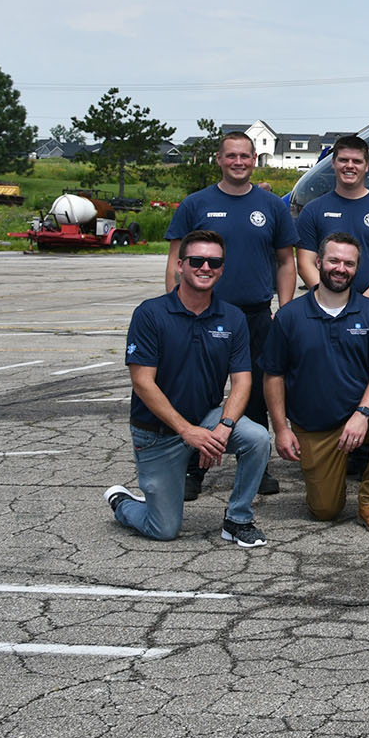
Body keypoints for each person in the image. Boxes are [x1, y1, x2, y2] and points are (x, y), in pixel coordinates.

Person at [107, 229, 271, 547]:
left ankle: (237, 519)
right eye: (196, 260)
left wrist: (224, 428)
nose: (205, 267)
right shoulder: (150, 314)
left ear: (222, 268)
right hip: (158, 432)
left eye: (214, 262)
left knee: (257, 438)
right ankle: (123, 503)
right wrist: (187, 432)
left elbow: (242, 382)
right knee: (163, 529)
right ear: (180, 265)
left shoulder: (233, 317)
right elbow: (142, 382)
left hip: (207, 419)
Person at [164, 130, 294, 499]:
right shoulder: (195, 203)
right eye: (231, 156)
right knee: (197, 391)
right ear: (219, 160)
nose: (238, 162)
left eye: (245, 156)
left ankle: (257, 462)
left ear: (255, 161)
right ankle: (192, 466)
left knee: (255, 391)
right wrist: (174, 307)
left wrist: (283, 311)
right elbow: (176, 261)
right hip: (202, 314)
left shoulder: (272, 206)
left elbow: (287, 261)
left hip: (254, 316)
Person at [263, 233, 369, 533]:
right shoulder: (290, 316)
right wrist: (280, 429)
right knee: (325, 510)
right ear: (318, 263)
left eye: (349, 263)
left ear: (357, 269)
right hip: (315, 425)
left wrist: (363, 414)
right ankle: (331, 471)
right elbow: (273, 375)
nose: (340, 268)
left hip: (360, 415)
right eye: (334, 261)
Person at [295, 134, 369, 300]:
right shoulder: (313, 210)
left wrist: (364, 304)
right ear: (333, 163)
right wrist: (329, 299)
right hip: (324, 307)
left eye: (356, 161)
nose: (349, 166)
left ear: (367, 166)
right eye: (343, 160)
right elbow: (305, 263)